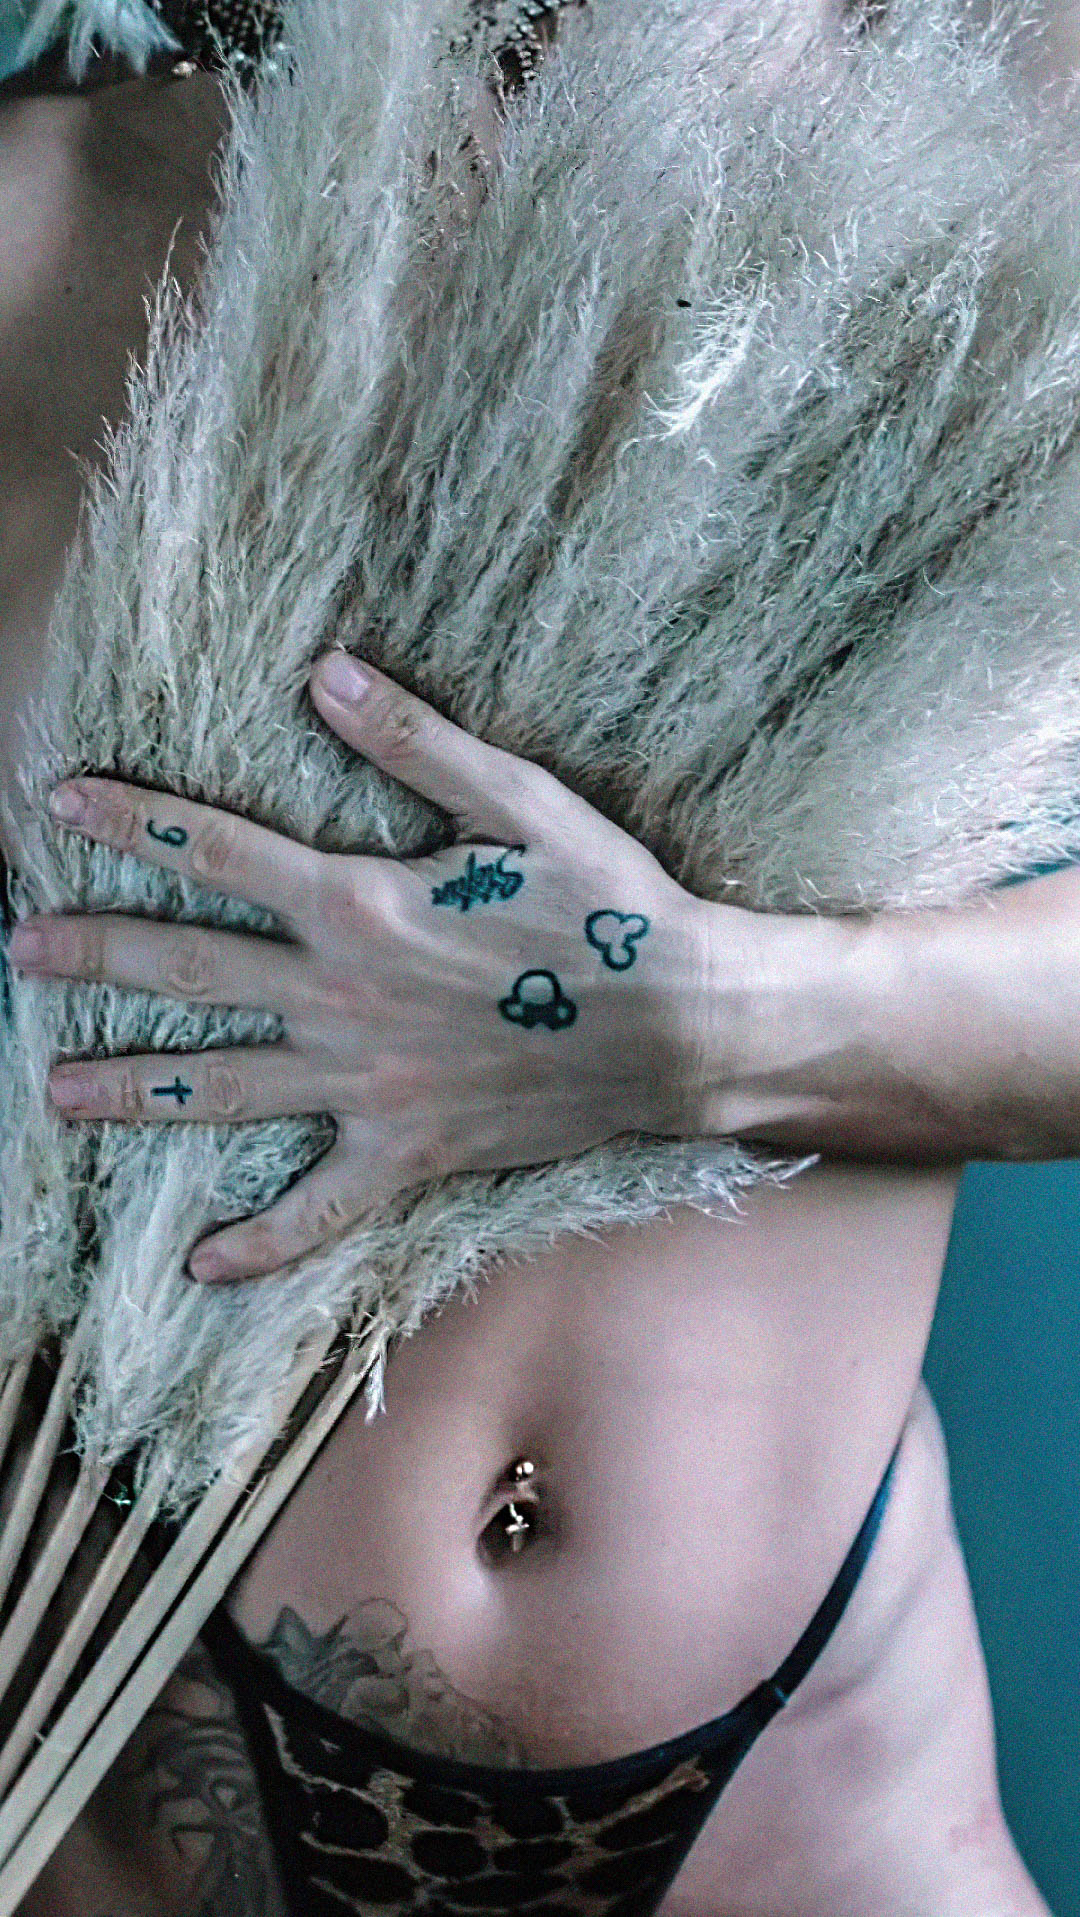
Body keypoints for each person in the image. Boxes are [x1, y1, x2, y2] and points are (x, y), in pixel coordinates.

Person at [2, 3, 1078, 1912]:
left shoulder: (1005, 168)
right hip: (112, 1691)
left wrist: (706, 1027)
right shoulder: (73, 191)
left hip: (807, 1793)